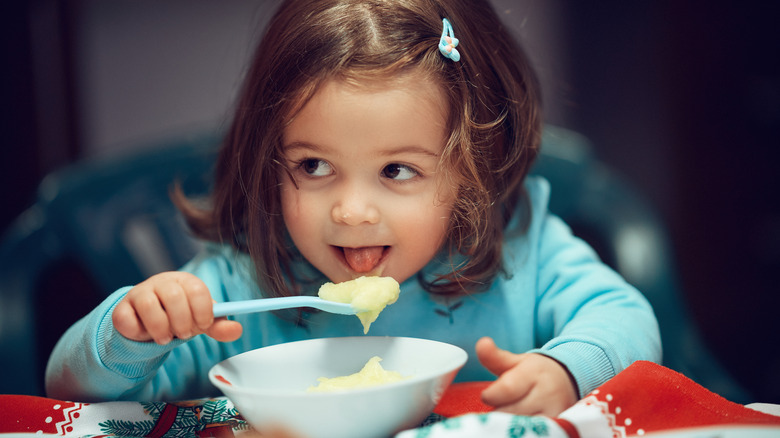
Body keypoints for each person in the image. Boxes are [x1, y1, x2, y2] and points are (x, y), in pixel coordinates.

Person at [46, 0, 660, 417]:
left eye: (397, 170)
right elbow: (72, 393)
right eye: (314, 167)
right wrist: (128, 331)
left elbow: (628, 321)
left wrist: (567, 370)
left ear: (474, 169)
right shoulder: (242, 283)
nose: (352, 211)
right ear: (269, 161)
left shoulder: (521, 248)